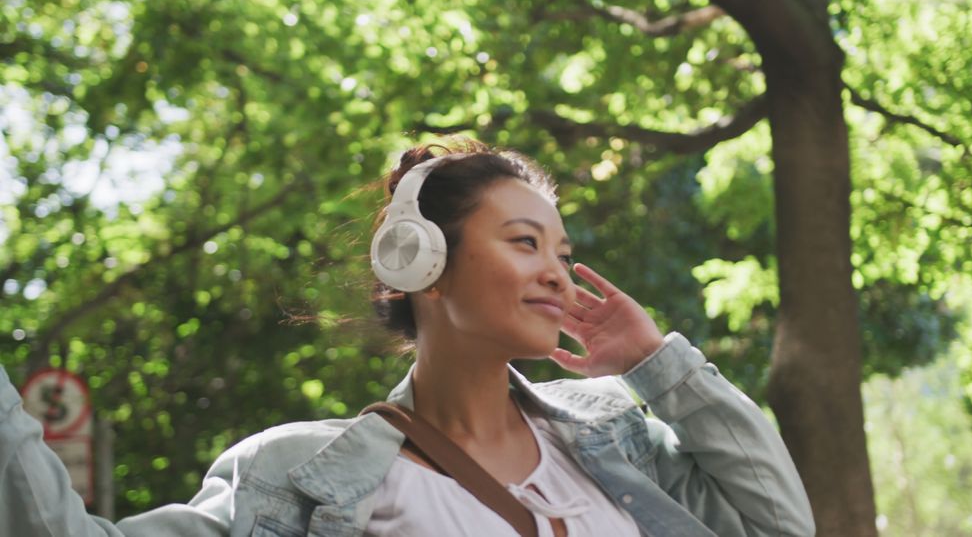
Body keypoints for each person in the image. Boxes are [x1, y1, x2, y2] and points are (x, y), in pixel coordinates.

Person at [0, 138, 815, 536]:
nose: (560, 276)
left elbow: (782, 527)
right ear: (421, 263)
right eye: (525, 244)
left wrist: (657, 367)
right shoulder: (297, 476)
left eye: (564, 253)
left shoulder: (620, 434)